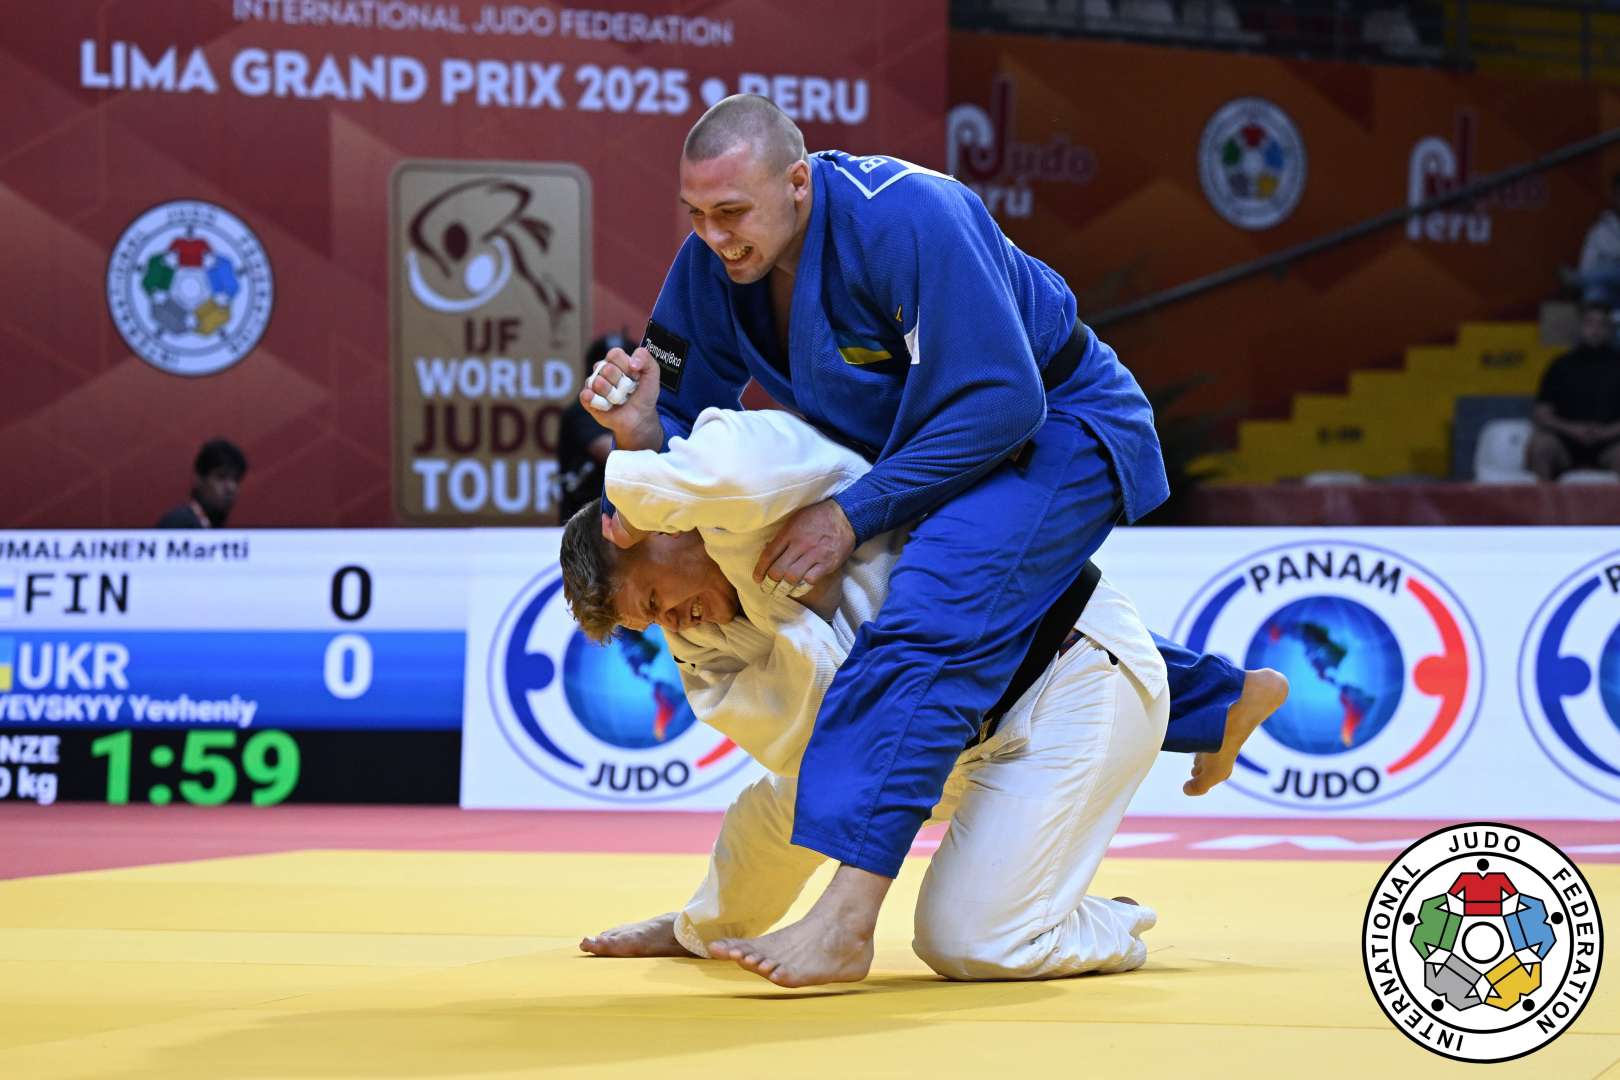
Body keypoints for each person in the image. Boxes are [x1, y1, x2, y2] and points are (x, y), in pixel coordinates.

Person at [582, 95, 1257, 985]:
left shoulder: (908, 216)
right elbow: (677, 406)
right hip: (920, 442)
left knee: (929, 613)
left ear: (797, 182)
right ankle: (1214, 697)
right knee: (960, 601)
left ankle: (846, 923)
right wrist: (639, 428)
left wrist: (853, 512)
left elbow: (1001, 402)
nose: (715, 237)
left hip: (1052, 422)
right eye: (697, 214)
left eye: (733, 212)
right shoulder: (712, 267)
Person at [564, 406, 1167, 982]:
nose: (673, 623)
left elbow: (733, 459)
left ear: (656, 528)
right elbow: (807, 744)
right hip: (941, 744)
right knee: (772, 811)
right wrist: (807, 609)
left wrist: (640, 469)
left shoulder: (758, 484)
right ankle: (700, 930)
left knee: (968, 945)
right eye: (651, 622)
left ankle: (1096, 920)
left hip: (1062, 685)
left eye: (654, 599)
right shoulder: (699, 635)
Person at [1527, 301, 1620, 480]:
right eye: (1589, 323)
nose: (1595, 330)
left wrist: (1606, 432)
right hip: (1565, 443)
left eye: (1602, 324)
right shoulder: (1560, 366)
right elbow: (1541, 414)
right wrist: (1572, 429)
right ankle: (1545, 499)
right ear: (1579, 326)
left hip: (1610, 444)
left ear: (1610, 329)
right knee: (1541, 446)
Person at [557, 333, 634, 521]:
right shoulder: (581, 410)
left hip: (628, 519)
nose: (617, 378)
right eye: (609, 371)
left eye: (623, 372)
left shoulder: (645, 409)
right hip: (584, 522)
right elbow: (607, 451)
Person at [155, 438, 247, 528]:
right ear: (199, 479)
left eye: (236, 479)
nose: (231, 488)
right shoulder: (178, 524)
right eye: (221, 477)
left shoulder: (208, 524)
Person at [1562, 174, 1620, 308]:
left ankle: (1578, 279)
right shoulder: (1600, 230)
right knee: (1594, 291)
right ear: (1614, 197)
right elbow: (1587, 264)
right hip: (1612, 291)